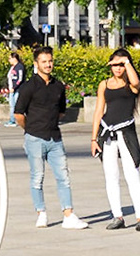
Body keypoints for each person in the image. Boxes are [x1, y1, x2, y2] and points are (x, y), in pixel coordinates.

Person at [12, 48, 86, 229]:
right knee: (37, 177)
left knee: (63, 176)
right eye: (44, 61)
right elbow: (18, 114)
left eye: (50, 61)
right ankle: (41, 213)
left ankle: (68, 215)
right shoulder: (29, 87)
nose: (48, 64)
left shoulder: (58, 86)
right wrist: (30, 129)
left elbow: (61, 111)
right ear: (36, 64)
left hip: (55, 138)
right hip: (34, 138)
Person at [89, 49, 140, 232]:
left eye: (121, 65)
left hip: (126, 132)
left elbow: (136, 83)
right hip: (107, 133)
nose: (117, 68)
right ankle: (117, 216)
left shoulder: (131, 85)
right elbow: (98, 111)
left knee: (132, 174)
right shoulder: (104, 84)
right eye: (114, 64)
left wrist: (127, 62)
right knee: (111, 175)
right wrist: (94, 138)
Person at [3, 48, 24, 127]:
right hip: (12, 89)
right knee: (12, 105)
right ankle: (12, 120)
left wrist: (14, 88)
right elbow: (9, 78)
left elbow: (20, 79)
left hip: (17, 89)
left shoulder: (20, 67)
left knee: (14, 106)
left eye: (10, 58)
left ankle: (13, 121)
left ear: (14, 58)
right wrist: (7, 87)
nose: (9, 60)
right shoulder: (12, 67)